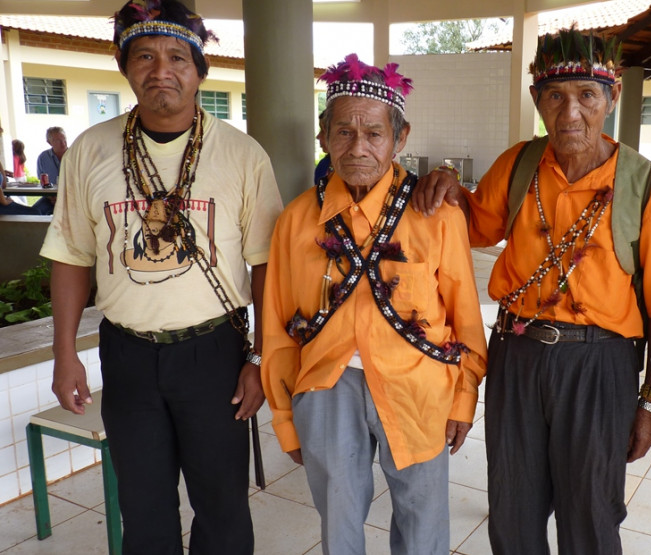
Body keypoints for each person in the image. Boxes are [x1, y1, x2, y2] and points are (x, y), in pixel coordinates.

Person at [413, 28, 651, 554]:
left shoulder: (647, 185)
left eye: (587, 95)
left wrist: (649, 405)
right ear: (538, 102)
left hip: (601, 364)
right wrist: (449, 180)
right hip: (516, 356)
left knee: (590, 514)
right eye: (555, 96)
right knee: (512, 510)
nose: (571, 112)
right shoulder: (520, 164)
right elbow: (474, 225)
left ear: (610, 100)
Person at [39, 1, 283, 553]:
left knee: (221, 505)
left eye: (178, 57)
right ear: (125, 67)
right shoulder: (90, 151)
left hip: (213, 353)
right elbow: (72, 255)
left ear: (201, 71)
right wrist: (63, 352)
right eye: (144, 56)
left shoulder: (242, 155)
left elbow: (267, 263)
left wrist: (262, 359)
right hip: (126, 354)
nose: (161, 70)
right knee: (142, 506)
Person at [261, 54, 487, 554]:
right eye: (343, 132)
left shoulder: (437, 214)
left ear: (400, 139)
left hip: (419, 383)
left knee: (423, 519)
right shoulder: (297, 221)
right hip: (326, 386)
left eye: (374, 134)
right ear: (323, 136)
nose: (357, 147)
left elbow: (465, 315)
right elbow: (277, 327)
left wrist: (464, 397)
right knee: (338, 522)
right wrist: (284, 416)